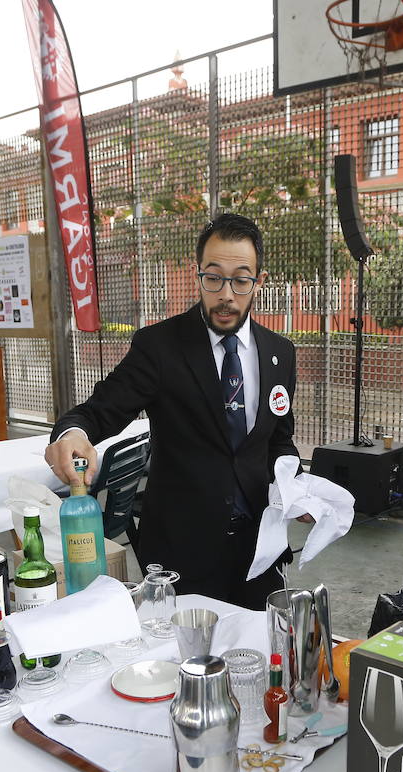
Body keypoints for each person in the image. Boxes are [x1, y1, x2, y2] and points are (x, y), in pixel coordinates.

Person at [44, 212, 301, 609]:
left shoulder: (280, 354)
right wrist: (72, 432)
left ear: (258, 283)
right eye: (213, 277)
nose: (226, 294)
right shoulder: (160, 347)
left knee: (259, 657)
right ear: (198, 275)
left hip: (259, 552)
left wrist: (297, 488)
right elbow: (101, 410)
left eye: (241, 279)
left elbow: (279, 441)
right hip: (183, 554)